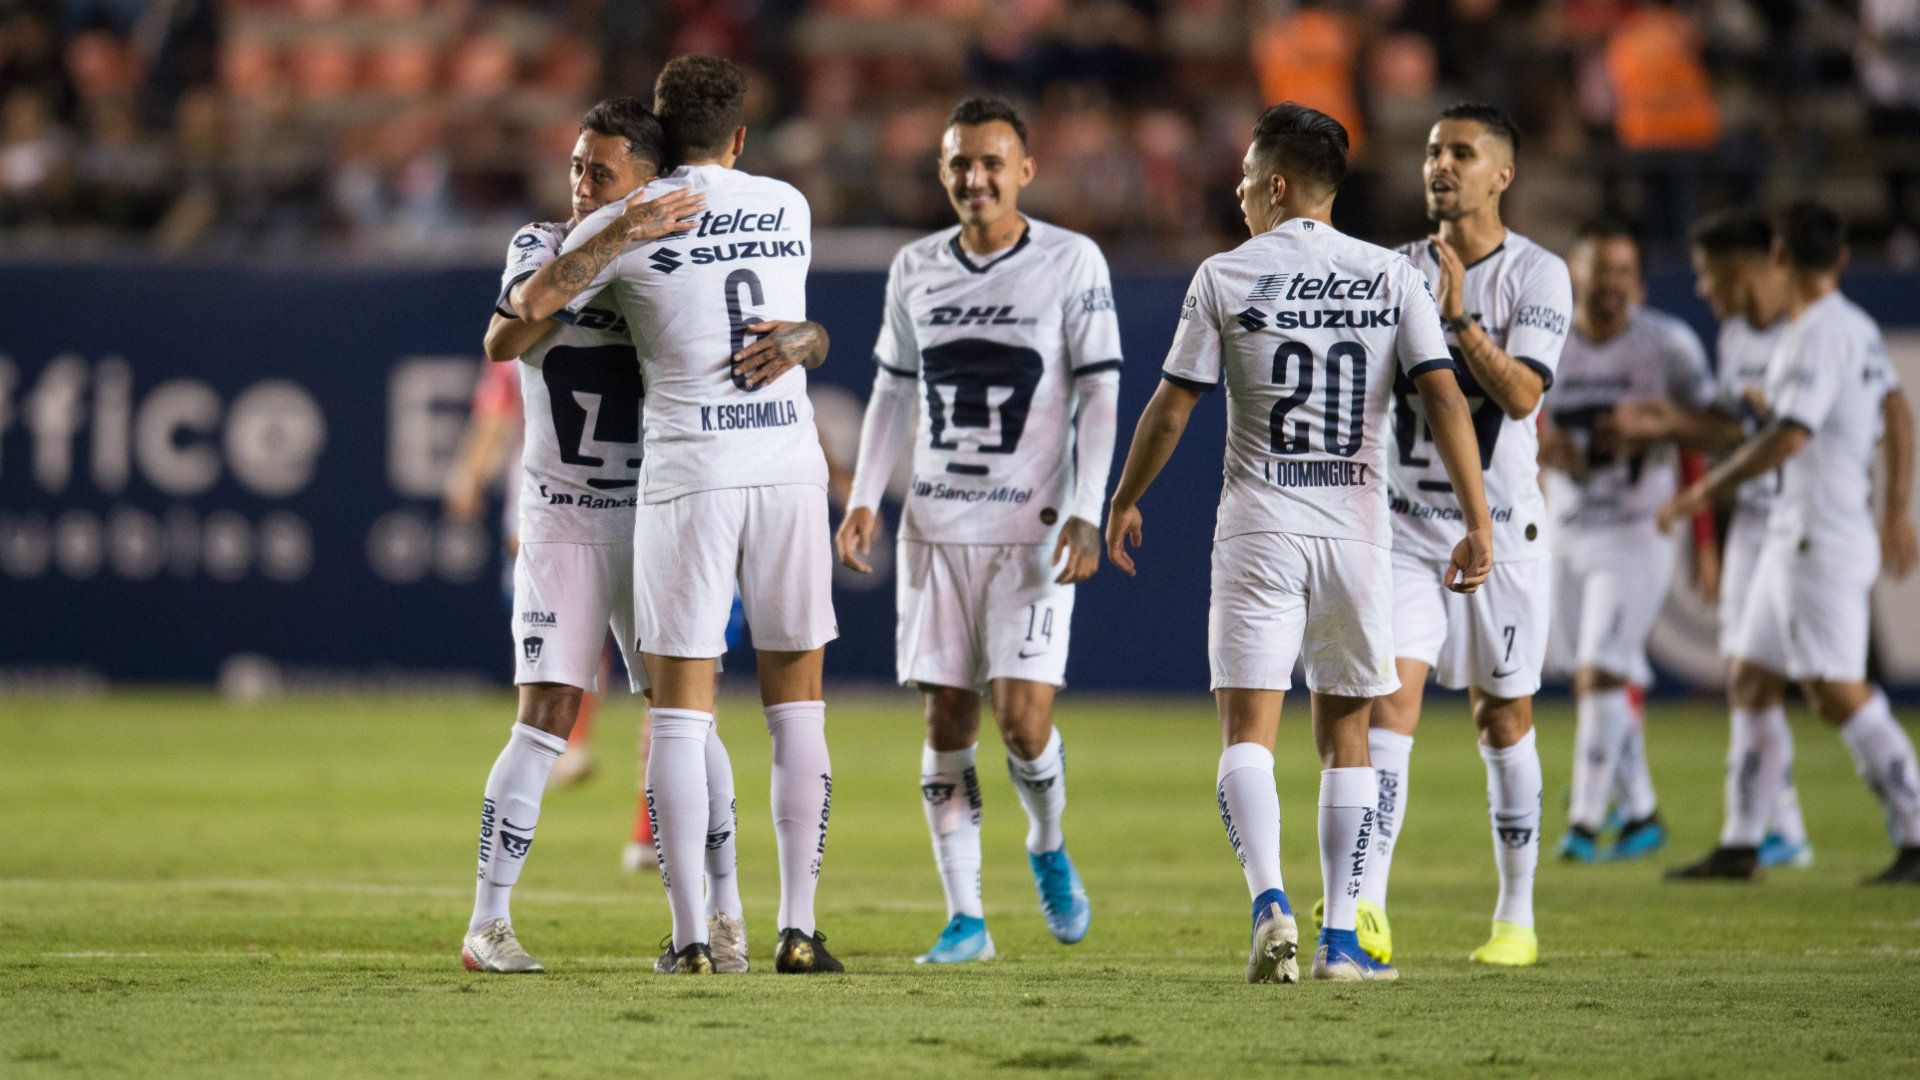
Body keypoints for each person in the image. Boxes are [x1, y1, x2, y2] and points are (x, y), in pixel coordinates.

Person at [1105, 102, 1492, 983]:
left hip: (1259, 529)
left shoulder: (1225, 276)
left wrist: (1126, 498)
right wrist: (1477, 517)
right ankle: (1341, 942)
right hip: (1358, 532)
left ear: (1277, 187)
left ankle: (1269, 900)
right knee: (1346, 739)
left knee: (1248, 734)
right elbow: (1441, 396)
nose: (1239, 195)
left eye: (1246, 180)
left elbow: (1172, 407)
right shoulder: (1392, 277)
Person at [515, 55, 845, 971]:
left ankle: (695, 938)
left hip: (690, 475)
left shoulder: (630, 219)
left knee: (678, 716)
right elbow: (795, 328)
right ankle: (800, 930)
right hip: (785, 470)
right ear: (742, 135)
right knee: (798, 710)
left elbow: (529, 310)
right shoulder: (788, 206)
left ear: (658, 139)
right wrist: (812, 339)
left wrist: (618, 235)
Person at [461, 97, 752, 973]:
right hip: (562, 516)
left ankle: (727, 914)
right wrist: (616, 233)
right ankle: (488, 923)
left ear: (652, 181)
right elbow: (503, 336)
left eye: (603, 172)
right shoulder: (543, 243)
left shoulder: (684, 262)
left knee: (688, 716)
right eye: (577, 167)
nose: (582, 184)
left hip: (660, 513)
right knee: (545, 714)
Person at [835, 97, 1118, 964]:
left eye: (992, 162)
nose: (975, 177)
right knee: (946, 719)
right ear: (943, 172)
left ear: (1025, 171)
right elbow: (890, 390)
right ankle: (967, 919)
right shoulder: (916, 267)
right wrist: (865, 498)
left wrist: (1087, 508)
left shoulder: (1072, 261)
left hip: (1029, 528)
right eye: (960, 162)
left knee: (1024, 722)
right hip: (936, 527)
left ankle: (1045, 841)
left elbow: (1102, 392)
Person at [1345, 103, 1573, 969]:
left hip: (1503, 533)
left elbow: (1521, 397)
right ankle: (1366, 908)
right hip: (1406, 530)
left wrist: (1460, 318)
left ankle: (1515, 916)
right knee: (1386, 709)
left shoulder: (1539, 276)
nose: (1441, 165)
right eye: (1435, 151)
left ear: (1501, 176)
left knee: (1502, 715)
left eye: (1463, 153)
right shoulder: (1388, 268)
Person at [1656, 202, 1920, 884]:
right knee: (1751, 675)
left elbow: (1791, 436)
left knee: (1835, 689)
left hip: (1818, 533)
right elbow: (1811, 419)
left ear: (1777, 258)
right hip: (1788, 532)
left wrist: (1700, 492)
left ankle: (1917, 832)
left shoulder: (1815, 333)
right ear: (1839, 258)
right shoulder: (1847, 328)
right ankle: (1744, 840)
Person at [1610, 208, 1817, 870]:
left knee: (1821, 686)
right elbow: (1732, 429)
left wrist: (1894, 507)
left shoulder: (1810, 332)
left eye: (1706, 275)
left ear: (1738, 269)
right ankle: (1768, 828)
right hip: (1755, 516)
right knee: (1745, 672)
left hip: (1808, 521)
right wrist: (1674, 421)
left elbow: (1860, 415)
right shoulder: (1732, 336)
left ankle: (1889, 825)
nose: (1701, 290)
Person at [1539, 220, 1714, 863]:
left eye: (1621, 269)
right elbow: (1521, 422)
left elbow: (1720, 426)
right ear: (1573, 274)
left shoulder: (1668, 345)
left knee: (1602, 671)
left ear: (1635, 278)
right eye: (1598, 268)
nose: (1610, 282)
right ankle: (1641, 811)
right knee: (1586, 676)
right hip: (1566, 529)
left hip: (1638, 530)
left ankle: (1585, 823)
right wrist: (1542, 446)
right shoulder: (1548, 343)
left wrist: (1662, 422)